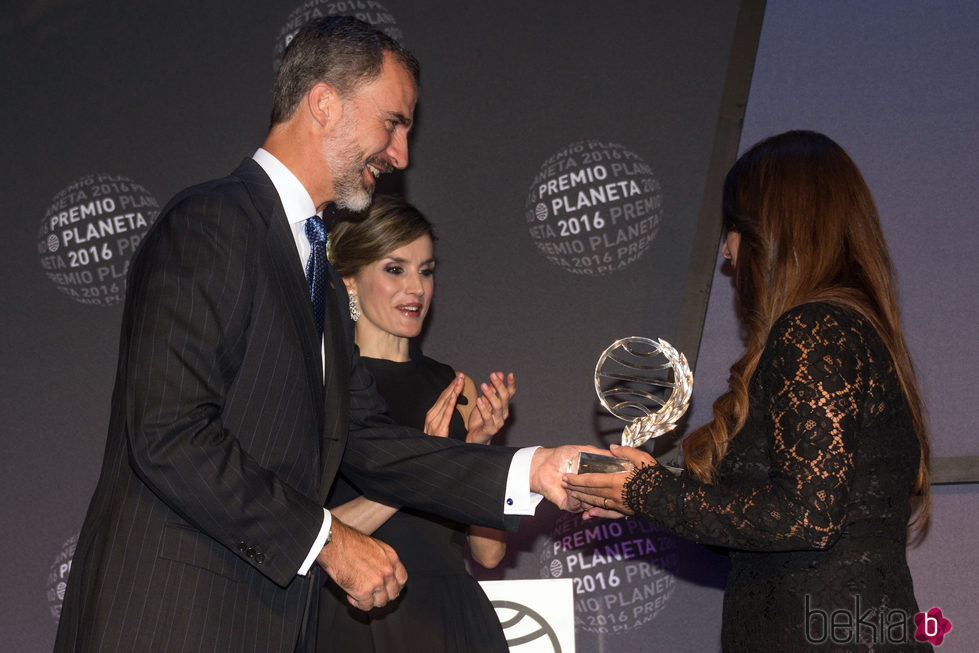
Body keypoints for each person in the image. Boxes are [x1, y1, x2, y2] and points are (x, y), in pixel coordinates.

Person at [55, 17, 591, 653]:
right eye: (392, 123)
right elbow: (168, 433)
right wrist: (330, 541)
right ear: (324, 103)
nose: (401, 155)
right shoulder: (213, 223)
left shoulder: (320, 281)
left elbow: (368, 443)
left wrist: (536, 469)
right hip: (171, 621)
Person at [564, 130, 932, 651]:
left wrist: (651, 492)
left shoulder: (815, 330)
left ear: (772, 231)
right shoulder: (849, 329)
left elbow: (807, 516)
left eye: (735, 229)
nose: (727, 253)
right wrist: (645, 498)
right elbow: (769, 534)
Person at [315, 196, 512, 652]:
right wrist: (421, 465)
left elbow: (489, 553)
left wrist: (479, 450)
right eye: (394, 269)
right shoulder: (321, 387)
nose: (417, 289)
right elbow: (306, 534)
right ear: (349, 282)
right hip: (356, 619)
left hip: (450, 618)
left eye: (425, 271)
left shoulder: (454, 387)